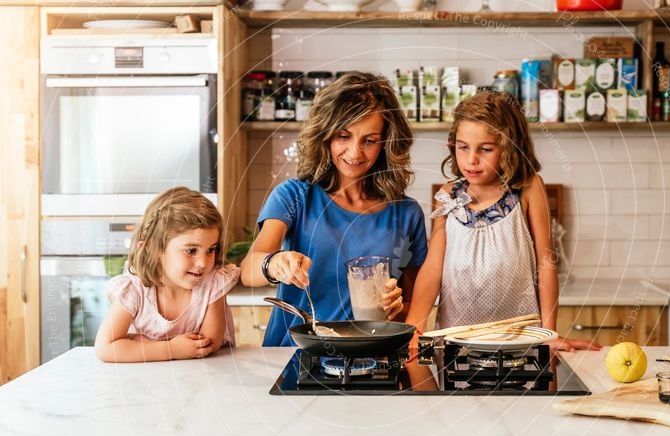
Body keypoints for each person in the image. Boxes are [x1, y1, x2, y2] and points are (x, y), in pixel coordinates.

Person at [241, 71, 428, 347]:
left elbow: (411, 304)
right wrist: (275, 263)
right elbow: (248, 269)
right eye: (344, 136)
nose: (354, 153)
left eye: (369, 140)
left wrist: (395, 307)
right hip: (295, 356)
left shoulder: (406, 213)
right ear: (325, 135)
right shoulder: (295, 197)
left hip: (372, 360)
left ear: (387, 142)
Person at [405, 91, 599, 352]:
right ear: (452, 145)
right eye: (463, 147)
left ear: (509, 147)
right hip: (457, 343)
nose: (471, 159)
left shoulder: (529, 189)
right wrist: (415, 327)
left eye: (485, 149)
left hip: (521, 342)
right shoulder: (448, 195)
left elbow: (546, 265)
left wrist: (548, 335)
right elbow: (432, 269)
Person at [95, 187, 241, 362]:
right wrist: (171, 349)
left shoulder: (212, 283)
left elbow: (208, 343)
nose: (203, 262)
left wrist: (143, 345)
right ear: (153, 249)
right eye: (191, 250)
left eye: (211, 249)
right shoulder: (135, 290)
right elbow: (105, 348)